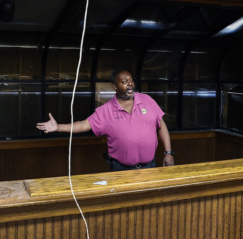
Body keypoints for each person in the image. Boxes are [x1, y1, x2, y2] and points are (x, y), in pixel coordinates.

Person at [36, 69, 175, 171]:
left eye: (131, 80)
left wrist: (168, 153)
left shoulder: (147, 100)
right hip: (120, 170)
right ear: (115, 86)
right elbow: (84, 124)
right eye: (124, 82)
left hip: (150, 167)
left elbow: (161, 125)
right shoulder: (106, 110)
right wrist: (58, 127)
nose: (130, 84)